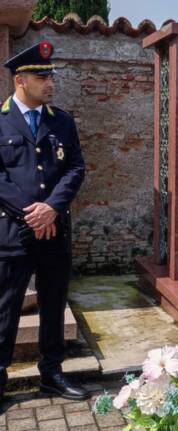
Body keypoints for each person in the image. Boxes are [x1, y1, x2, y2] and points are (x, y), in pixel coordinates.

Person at [0, 41, 87, 403]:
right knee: (5, 306)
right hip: (13, 232)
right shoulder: (0, 120)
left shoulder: (62, 121)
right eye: (41, 76)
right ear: (20, 80)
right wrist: (32, 212)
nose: (50, 83)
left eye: (51, 75)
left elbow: (76, 167)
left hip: (55, 229)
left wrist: (52, 207)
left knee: (53, 303)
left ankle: (51, 373)